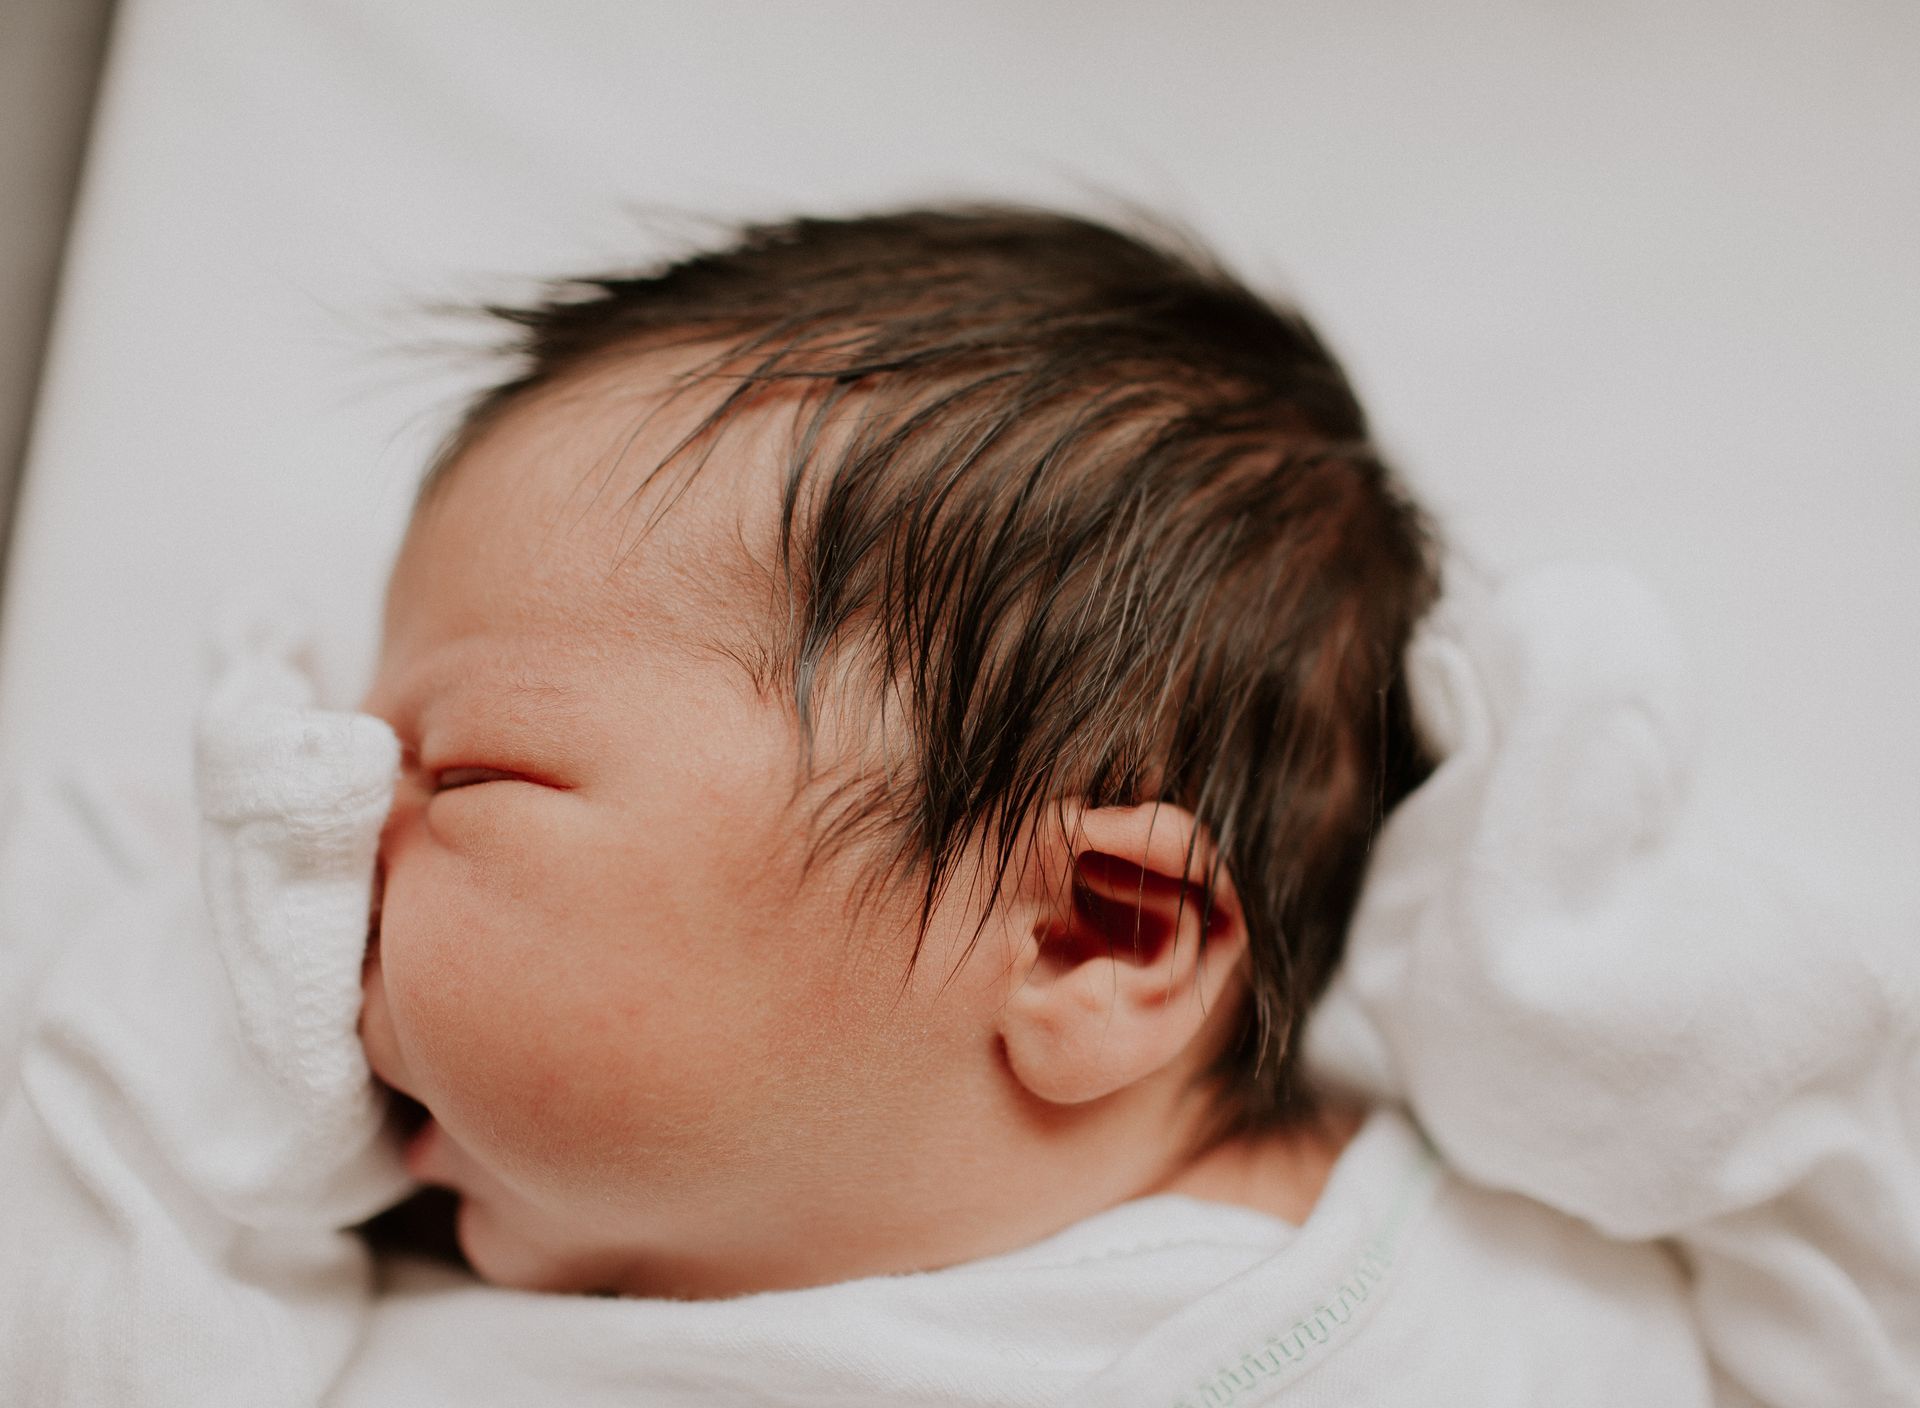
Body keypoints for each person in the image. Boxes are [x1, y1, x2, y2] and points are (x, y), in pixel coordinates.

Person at [3, 206, 1910, 1406]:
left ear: (1095, 934)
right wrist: (198, 1085)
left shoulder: (1497, 1298)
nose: (317, 877)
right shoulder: (413, 1325)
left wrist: (1591, 999)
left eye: (467, 774)